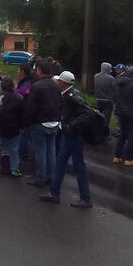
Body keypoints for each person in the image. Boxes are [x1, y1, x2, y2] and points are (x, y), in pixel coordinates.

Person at [39, 71, 93, 208]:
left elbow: (87, 113)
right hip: (68, 135)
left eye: (58, 81)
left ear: (63, 83)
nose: (56, 83)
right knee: (60, 163)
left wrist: (71, 126)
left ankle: (85, 198)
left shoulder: (73, 96)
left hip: (74, 136)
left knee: (79, 166)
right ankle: (54, 193)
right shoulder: (67, 94)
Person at [24, 60, 61, 187]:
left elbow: (31, 106)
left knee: (40, 151)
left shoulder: (37, 86)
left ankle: (40, 177)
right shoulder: (56, 85)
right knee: (51, 150)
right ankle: (51, 176)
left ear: (39, 70)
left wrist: (27, 122)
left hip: (40, 122)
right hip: (54, 121)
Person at [0, 76, 25, 177]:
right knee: (14, 149)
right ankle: (14, 169)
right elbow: (22, 114)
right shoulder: (19, 97)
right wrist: (22, 125)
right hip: (14, 127)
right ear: (12, 85)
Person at [113, 67, 133, 167]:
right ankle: (129, 158)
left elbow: (115, 98)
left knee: (123, 135)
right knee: (132, 136)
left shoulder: (119, 82)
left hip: (121, 112)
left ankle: (117, 157)